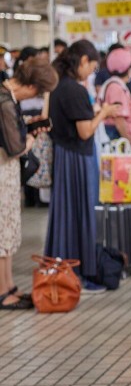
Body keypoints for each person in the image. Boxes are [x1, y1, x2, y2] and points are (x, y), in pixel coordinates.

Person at [45, 40, 123, 293]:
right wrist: (104, 113)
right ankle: (80, 273)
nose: (92, 72)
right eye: (92, 66)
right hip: (78, 160)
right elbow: (86, 131)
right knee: (82, 216)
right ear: (83, 61)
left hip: (64, 157)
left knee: (66, 217)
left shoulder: (59, 85)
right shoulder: (75, 90)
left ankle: (63, 271)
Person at [0, 59, 58, 309]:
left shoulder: (6, 96)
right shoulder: (5, 101)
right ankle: (3, 292)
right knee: (3, 232)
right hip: (2, 171)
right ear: (33, 86)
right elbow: (15, 148)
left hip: (6, 172)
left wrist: (28, 126)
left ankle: (9, 286)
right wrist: (31, 141)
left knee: (8, 230)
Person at [98, 47, 131, 153]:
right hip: (119, 137)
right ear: (126, 69)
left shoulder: (114, 84)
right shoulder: (116, 88)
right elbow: (120, 121)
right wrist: (129, 143)